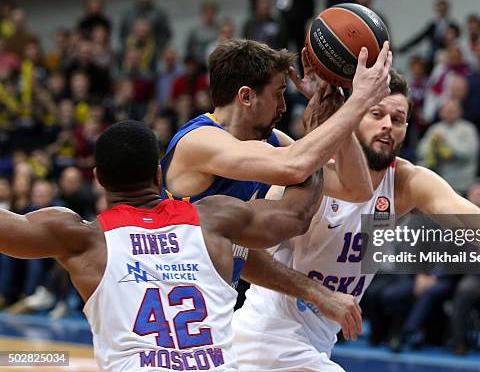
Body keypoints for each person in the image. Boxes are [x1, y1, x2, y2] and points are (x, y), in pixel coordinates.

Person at [232, 70, 480, 372]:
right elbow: (245, 258)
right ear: (354, 118)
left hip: (314, 344)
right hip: (265, 338)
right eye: (376, 114)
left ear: (407, 130)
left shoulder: (408, 183)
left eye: (397, 119)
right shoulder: (309, 175)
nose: (386, 126)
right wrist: (319, 294)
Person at [0, 120, 329, 371]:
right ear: (159, 175)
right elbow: (295, 214)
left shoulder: (83, 238)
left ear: (98, 179)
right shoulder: (215, 218)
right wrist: (310, 143)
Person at [161, 38, 391, 323]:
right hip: (164, 312)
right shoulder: (199, 142)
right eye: (278, 94)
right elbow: (297, 166)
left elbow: (356, 189)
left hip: (209, 317)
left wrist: (333, 111)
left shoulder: (269, 142)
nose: (284, 106)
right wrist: (359, 102)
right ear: (246, 97)